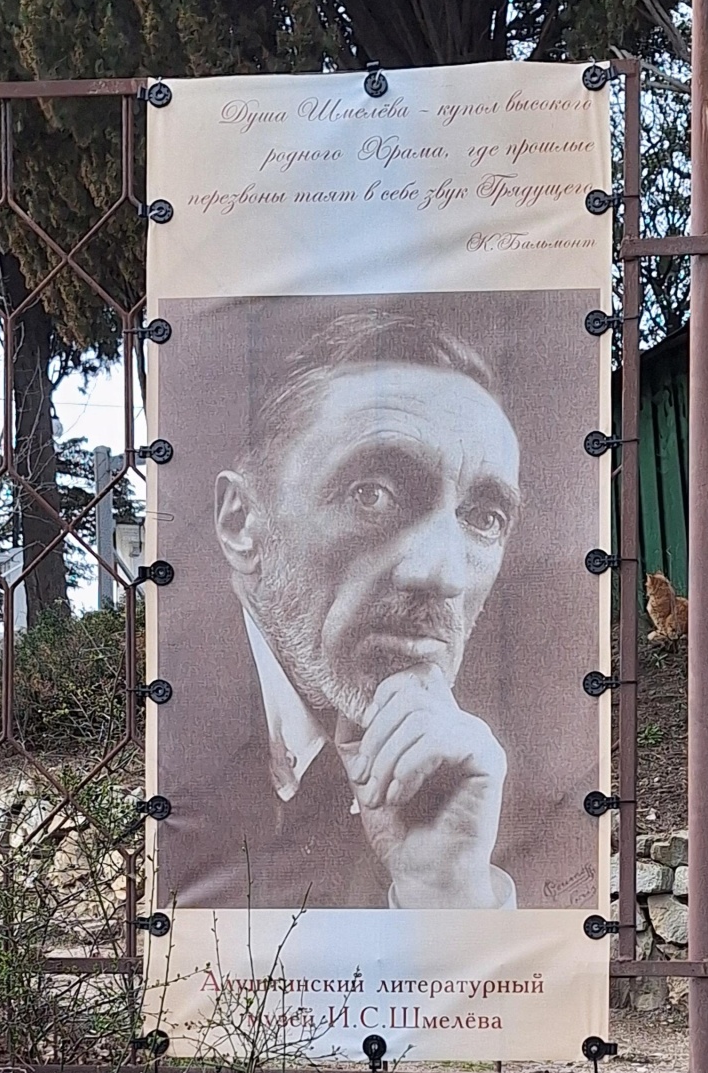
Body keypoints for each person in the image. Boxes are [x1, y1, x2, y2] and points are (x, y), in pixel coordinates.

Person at [179, 311, 525, 909]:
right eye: (373, 494)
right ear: (241, 522)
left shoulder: (476, 787)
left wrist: (445, 889)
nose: (443, 575)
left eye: (483, 519)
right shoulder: (165, 744)